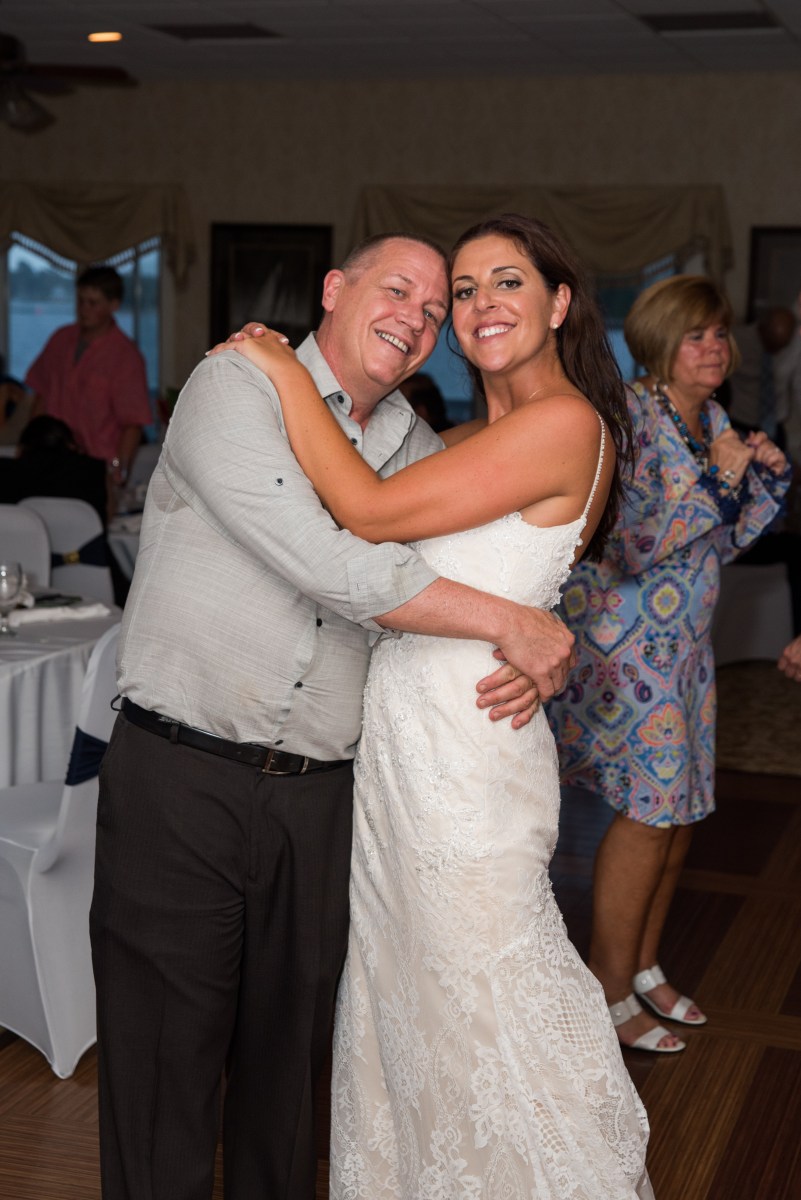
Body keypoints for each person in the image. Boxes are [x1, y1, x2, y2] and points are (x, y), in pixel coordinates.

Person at [90, 232, 578, 1200]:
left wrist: (539, 641)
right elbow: (332, 563)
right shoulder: (236, 383)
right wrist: (509, 624)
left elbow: (471, 570)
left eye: (434, 310)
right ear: (332, 290)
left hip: (323, 800)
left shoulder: (416, 446)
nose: (416, 318)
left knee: (289, 1082)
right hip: (183, 777)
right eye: (398, 290)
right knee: (163, 1075)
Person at [221, 213, 653, 1199]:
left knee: (486, 993)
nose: (480, 303)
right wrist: (530, 626)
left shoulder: (564, 423)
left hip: (470, 759)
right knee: (410, 998)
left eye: (507, 281)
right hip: (402, 759)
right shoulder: (462, 440)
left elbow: (365, 512)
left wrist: (282, 365)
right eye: (463, 290)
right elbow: (375, 558)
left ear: (559, 303)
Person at [548, 275, 791, 1055]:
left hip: (683, 646)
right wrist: (721, 475)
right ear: (658, 342)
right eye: (695, 335)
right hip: (622, 649)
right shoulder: (628, 418)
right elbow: (629, 544)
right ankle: (606, 989)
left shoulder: (710, 418)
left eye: (718, 334)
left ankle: (643, 968)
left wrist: (763, 474)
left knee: (680, 808)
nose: (713, 348)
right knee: (649, 813)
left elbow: (719, 542)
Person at [25, 265, 151, 487]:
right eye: (80, 301)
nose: (83, 309)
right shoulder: (60, 339)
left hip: (96, 466)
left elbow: (132, 424)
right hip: (50, 461)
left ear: (113, 305)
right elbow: (41, 396)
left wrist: (118, 472)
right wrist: (29, 448)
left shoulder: (126, 356)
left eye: (93, 303)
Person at [0, 415, 108, 524]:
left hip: (22, 534)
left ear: (21, 448)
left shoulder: (6, 472)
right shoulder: (94, 470)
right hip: (83, 534)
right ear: (70, 445)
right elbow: (105, 518)